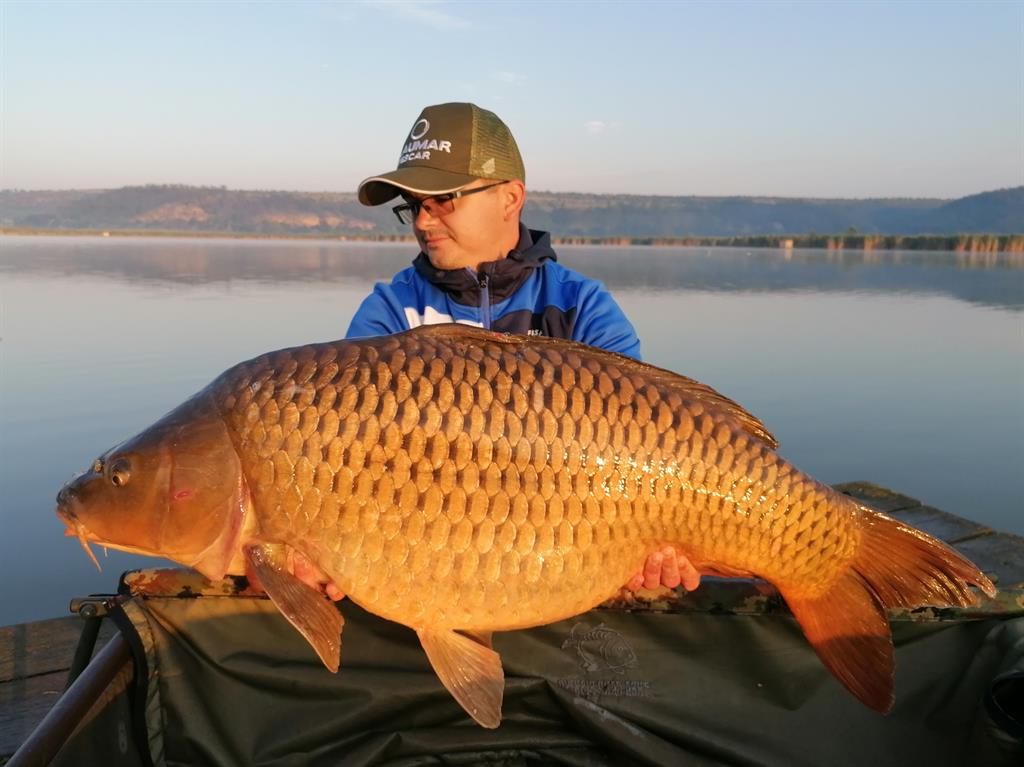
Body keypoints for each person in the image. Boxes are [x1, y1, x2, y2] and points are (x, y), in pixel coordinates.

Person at [339, 102, 699, 596]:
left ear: (510, 199)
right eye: (412, 205)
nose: (423, 222)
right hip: (434, 566)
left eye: (442, 199)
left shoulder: (579, 307)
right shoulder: (390, 313)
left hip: (562, 561)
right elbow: (355, 461)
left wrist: (650, 552)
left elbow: (641, 449)